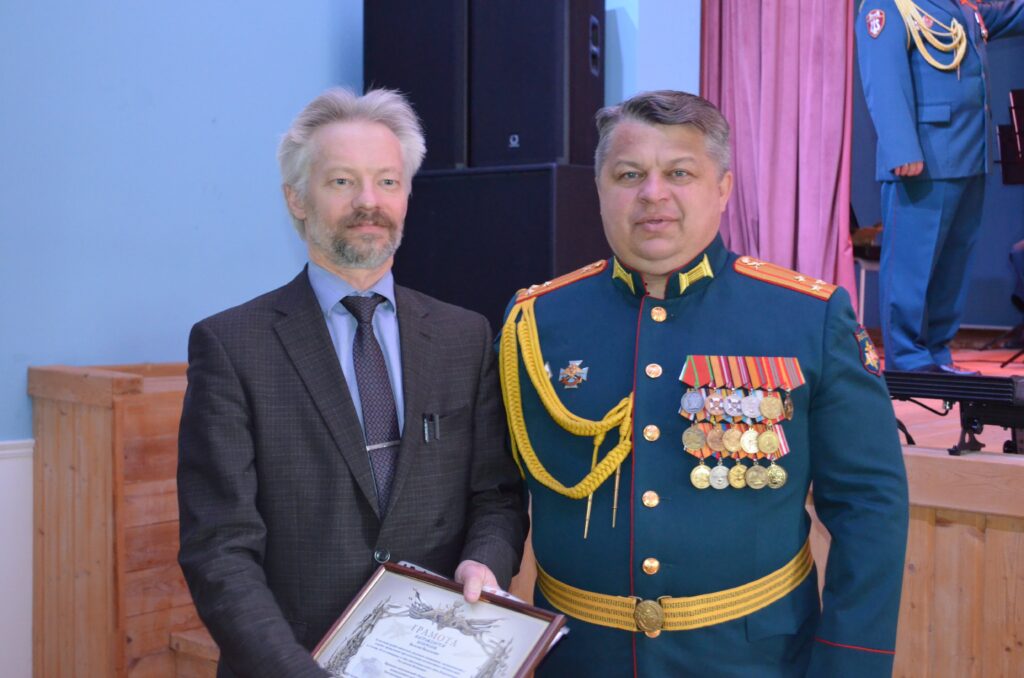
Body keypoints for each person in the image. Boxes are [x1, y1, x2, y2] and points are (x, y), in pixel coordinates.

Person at [498, 91, 909, 676]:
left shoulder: (807, 317)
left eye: (679, 173)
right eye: (629, 174)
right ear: (599, 189)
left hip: (753, 661)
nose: (652, 193)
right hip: (580, 658)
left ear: (723, 188)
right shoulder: (535, 322)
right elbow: (496, 490)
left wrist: (850, 666)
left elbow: (868, 506)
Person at [177, 88, 528, 678]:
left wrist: (484, 563)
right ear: (296, 198)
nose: (369, 202)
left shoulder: (464, 336)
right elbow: (220, 549)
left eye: (387, 181)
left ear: (407, 194)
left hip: (435, 658)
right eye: (342, 181)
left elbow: (495, 496)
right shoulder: (232, 345)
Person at [856, 0, 1024, 373]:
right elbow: (883, 79)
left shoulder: (961, 6)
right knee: (912, 268)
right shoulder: (888, 7)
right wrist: (901, 147)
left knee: (952, 268)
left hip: (969, 154)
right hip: (923, 159)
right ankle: (908, 359)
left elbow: (1013, 13)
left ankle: (937, 353)